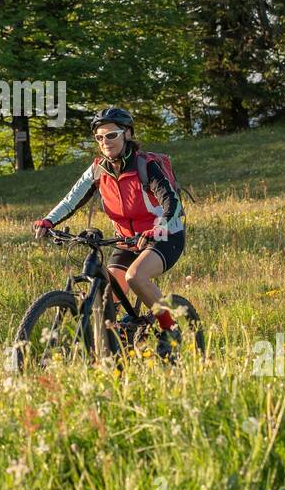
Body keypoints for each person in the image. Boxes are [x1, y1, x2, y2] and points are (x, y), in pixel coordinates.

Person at [32, 106, 186, 354]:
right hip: (126, 240)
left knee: (136, 276)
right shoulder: (98, 169)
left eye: (111, 135)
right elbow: (72, 200)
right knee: (105, 299)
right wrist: (48, 221)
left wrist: (160, 226)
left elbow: (170, 201)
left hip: (164, 236)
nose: (105, 142)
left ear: (127, 134)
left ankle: (170, 329)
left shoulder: (146, 166)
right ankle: (115, 348)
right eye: (100, 137)